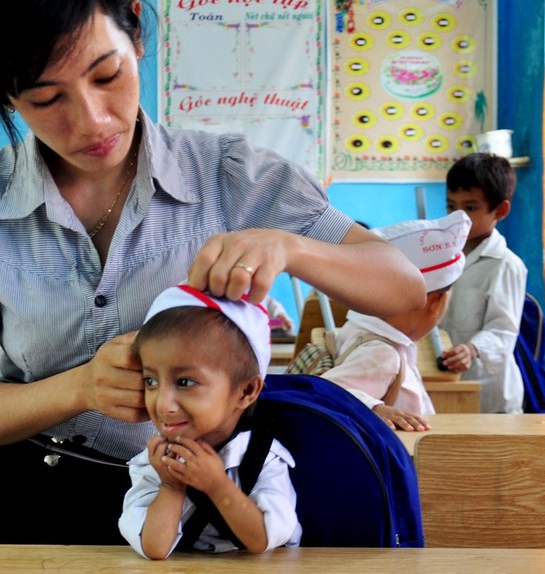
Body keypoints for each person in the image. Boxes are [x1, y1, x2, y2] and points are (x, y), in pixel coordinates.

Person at [0, 0, 425, 544]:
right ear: (5, 95)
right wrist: (80, 387)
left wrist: (290, 246)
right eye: (46, 99)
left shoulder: (230, 177)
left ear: (137, 31)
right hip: (11, 479)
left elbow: (406, 292)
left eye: (106, 75)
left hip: (181, 491)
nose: (91, 120)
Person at [118, 284, 301, 559]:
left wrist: (216, 484)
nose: (162, 404)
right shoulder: (154, 462)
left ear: (246, 391)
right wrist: (170, 486)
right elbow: (154, 548)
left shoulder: (264, 457)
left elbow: (262, 541)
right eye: (151, 381)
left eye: (185, 382)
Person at [321, 212, 471, 431]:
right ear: (436, 303)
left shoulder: (362, 328)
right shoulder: (382, 354)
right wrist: (371, 408)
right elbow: (322, 393)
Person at [439, 153, 528, 413]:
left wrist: (472, 348)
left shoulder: (504, 264)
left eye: (469, 208)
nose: (457, 217)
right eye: (450, 206)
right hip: (446, 385)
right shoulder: (440, 254)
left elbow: (503, 329)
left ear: (500, 210)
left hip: (490, 396)